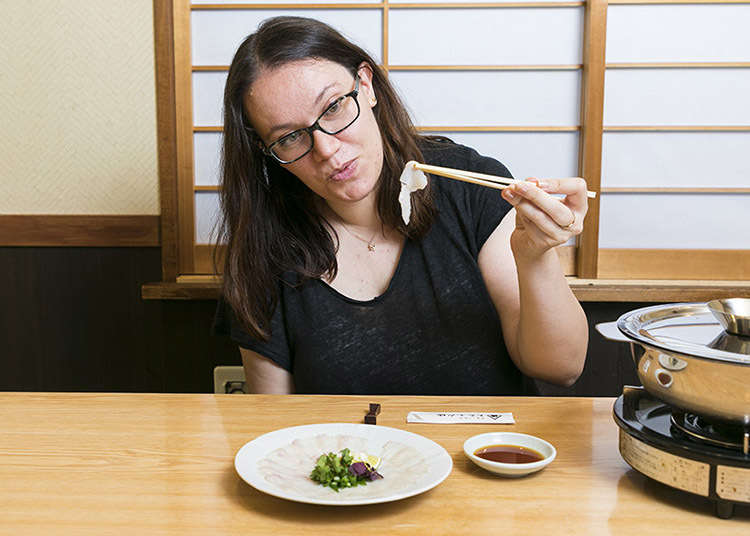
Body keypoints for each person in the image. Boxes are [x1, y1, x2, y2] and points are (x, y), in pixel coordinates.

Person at [213, 16, 589, 395]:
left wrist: (536, 256)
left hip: (484, 451)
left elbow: (561, 368)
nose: (327, 150)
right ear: (266, 152)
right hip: (351, 456)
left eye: (332, 108)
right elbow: (272, 426)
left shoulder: (469, 185)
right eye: (291, 137)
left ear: (365, 85)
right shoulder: (264, 250)